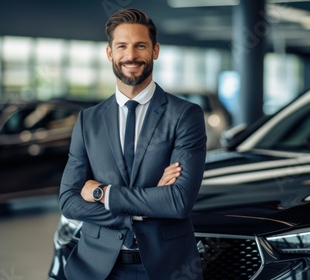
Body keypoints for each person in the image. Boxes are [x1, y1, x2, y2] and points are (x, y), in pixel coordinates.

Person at [58, 8, 206, 280]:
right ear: (109, 53)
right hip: (95, 268)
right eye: (122, 46)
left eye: (141, 46)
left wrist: (103, 193)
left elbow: (178, 201)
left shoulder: (185, 115)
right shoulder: (88, 120)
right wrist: (142, 209)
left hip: (165, 268)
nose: (131, 55)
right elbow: (69, 200)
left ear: (155, 51)